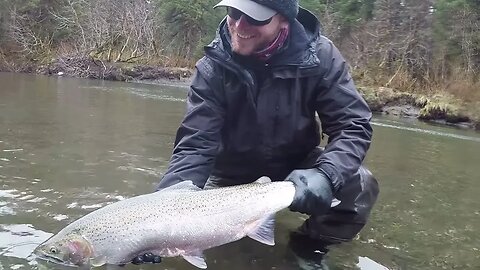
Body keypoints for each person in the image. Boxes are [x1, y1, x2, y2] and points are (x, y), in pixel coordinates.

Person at [132, 0, 379, 268]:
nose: (239, 25)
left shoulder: (320, 57)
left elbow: (353, 124)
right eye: (234, 12)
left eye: (255, 18)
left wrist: (326, 174)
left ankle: (310, 247)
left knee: (359, 184)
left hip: (297, 169)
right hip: (229, 175)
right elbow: (195, 146)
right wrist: (158, 216)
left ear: (284, 19)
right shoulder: (212, 67)